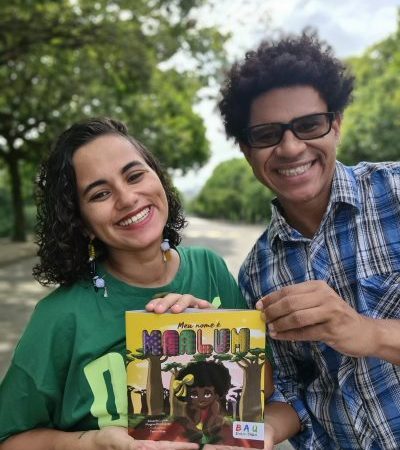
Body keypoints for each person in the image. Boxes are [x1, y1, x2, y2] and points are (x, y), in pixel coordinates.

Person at [0, 117, 254, 450]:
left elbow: (259, 395)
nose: (127, 198)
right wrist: (91, 443)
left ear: (158, 179)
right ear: (81, 222)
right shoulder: (58, 317)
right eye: (100, 193)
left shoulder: (211, 269)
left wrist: (215, 339)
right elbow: (9, 439)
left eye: (135, 176)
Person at [218, 31, 400, 449]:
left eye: (309, 125)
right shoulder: (256, 273)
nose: (290, 147)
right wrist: (254, 434)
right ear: (246, 150)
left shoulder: (395, 192)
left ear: (336, 125)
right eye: (266, 134)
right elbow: (289, 393)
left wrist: (368, 332)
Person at [173, 360, 230, 443]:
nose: (200, 399)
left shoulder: (221, 423)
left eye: (207, 394)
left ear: (216, 394)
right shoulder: (185, 420)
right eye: (194, 395)